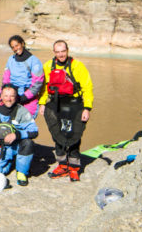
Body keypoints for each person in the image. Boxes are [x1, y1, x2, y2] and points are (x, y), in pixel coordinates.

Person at [39, 40, 94, 182]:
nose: (61, 54)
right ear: (54, 52)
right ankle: (63, 165)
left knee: (74, 134)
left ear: (67, 50)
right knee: (58, 133)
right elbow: (44, 87)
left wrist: (87, 108)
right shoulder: (48, 66)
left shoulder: (77, 66)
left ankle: (74, 168)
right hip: (55, 104)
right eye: (57, 52)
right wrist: (42, 103)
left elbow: (87, 88)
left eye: (63, 51)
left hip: (74, 104)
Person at [0, 85, 38, 186]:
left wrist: (17, 135)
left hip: (17, 145)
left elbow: (34, 131)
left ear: (16, 97)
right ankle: (9, 162)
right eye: (6, 96)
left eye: (12, 96)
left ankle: (21, 172)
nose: (9, 99)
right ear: (1, 96)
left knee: (28, 143)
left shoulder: (22, 111)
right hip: (0, 146)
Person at [2, 35, 45, 118]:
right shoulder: (11, 59)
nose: (15, 48)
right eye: (13, 47)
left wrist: (23, 97)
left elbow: (37, 83)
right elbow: (5, 79)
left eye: (17, 45)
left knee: (26, 126)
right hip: (11, 98)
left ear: (22, 44)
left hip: (28, 101)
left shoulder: (34, 61)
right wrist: (2, 95)